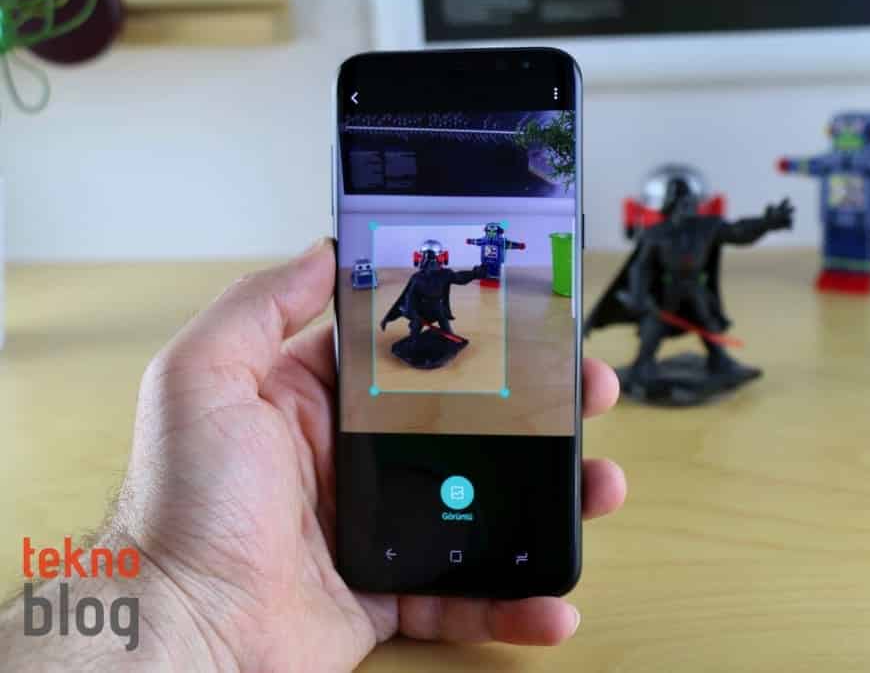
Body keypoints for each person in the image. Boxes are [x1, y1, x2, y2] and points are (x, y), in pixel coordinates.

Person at [0, 239, 625, 671]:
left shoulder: (440, 277)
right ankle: (429, 341)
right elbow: (409, 298)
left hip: (435, 330)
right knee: (426, 346)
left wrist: (183, 604)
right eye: (433, 259)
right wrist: (182, 591)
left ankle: (436, 339)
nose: (435, 263)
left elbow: (450, 284)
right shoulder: (418, 280)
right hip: (420, 334)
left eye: (436, 260)